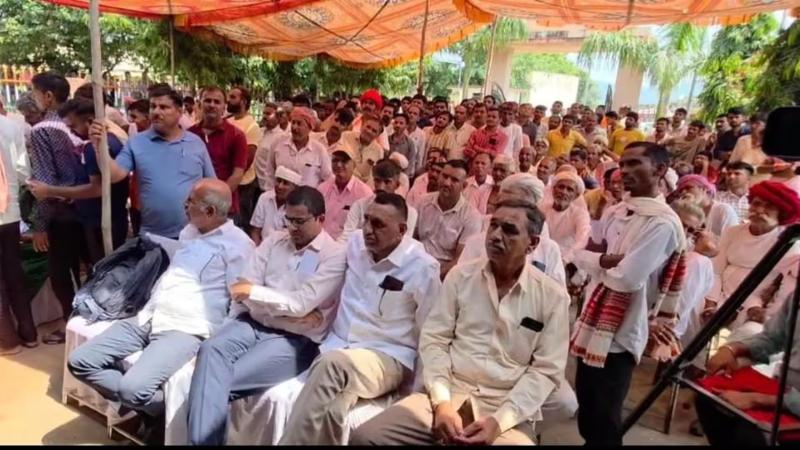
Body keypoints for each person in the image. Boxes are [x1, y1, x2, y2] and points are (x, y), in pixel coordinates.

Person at [350, 199, 570, 446]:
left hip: (505, 408)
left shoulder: (552, 297)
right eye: (493, 225)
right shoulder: (460, 277)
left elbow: (545, 371)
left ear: (533, 244)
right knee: (366, 438)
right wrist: (442, 402)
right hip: (447, 393)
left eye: (509, 230)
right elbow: (435, 340)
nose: (495, 236)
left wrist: (500, 421)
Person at [67, 179, 253, 435]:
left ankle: (153, 406)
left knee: (132, 389)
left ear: (210, 211)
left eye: (190, 202)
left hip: (185, 328)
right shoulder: (190, 231)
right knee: (80, 361)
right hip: (150, 315)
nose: (184, 205)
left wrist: (216, 346)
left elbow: (239, 301)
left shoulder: (239, 246)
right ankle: (154, 408)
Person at [187, 186, 346, 445]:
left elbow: (299, 303)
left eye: (300, 221)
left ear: (321, 219)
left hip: (295, 340)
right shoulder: (274, 241)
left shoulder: (334, 255)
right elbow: (243, 287)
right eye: (288, 219)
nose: (292, 227)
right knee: (210, 350)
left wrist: (257, 294)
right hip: (252, 323)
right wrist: (284, 308)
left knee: (215, 381)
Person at [279, 193, 442, 444]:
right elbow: (324, 257)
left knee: (331, 365)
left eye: (378, 224)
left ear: (401, 231)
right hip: (341, 346)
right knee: (334, 412)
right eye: (366, 220)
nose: (367, 230)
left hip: (387, 356)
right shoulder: (355, 243)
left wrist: (415, 393)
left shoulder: (422, 267)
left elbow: (430, 331)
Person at [570, 142, 686, 446]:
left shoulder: (662, 223)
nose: (625, 171)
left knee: (606, 415)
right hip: (593, 319)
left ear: (660, 170)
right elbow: (584, 252)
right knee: (587, 405)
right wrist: (604, 261)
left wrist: (599, 263)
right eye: (623, 164)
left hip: (623, 328)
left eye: (635, 164)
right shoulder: (617, 210)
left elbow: (627, 279)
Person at [94, 85, 216, 241]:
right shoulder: (137, 143)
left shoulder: (195, 143)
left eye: (164, 107)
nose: (157, 112)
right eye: (153, 107)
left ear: (179, 112)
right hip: (153, 237)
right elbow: (113, 175)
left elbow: (212, 185)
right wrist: (99, 147)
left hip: (194, 235)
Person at [27, 98, 129, 263]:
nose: (71, 132)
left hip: (101, 222)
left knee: (103, 267)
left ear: (90, 121)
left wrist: (49, 190)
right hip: (108, 218)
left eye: (73, 127)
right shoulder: (110, 140)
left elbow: (97, 188)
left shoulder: (95, 148)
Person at [28, 71, 89, 344]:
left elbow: (45, 181)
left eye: (34, 93)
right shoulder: (71, 128)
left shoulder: (42, 130)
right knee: (82, 270)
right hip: (83, 208)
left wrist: (40, 224)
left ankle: (72, 326)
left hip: (61, 212)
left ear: (48, 96)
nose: (32, 98)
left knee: (62, 274)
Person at [697, 294, 800, 446]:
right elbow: (772, 338)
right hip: (782, 390)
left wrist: (756, 399)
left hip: (791, 404)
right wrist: (732, 349)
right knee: (709, 400)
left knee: (750, 436)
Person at [706, 181, 800, 336]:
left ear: (781, 212)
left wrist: (760, 310)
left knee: (751, 333)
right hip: (717, 297)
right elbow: (715, 271)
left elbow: (785, 291)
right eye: (756, 204)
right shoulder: (733, 232)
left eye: (769, 206)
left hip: (754, 308)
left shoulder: (788, 244)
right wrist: (711, 302)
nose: (760, 210)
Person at [458, 173, 566, 286]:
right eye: (507, 203)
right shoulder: (476, 242)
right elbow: (461, 283)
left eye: (520, 205)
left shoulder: (549, 250)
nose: (511, 210)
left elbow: (556, 292)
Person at [0, 113, 37, 353]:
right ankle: (29, 333)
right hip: (11, 211)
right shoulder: (11, 126)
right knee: (14, 273)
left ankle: (8, 340)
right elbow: (24, 173)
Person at [415, 159, 482, 278]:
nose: (446, 183)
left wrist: (432, 277)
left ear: (464, 186)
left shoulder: (471, 216)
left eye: (454, 180)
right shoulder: (423, 202)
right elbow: (411, 238)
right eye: (444, 176)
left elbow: (460, 260)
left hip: (444, 274)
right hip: (415, 263)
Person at [188, 87, 248, 219]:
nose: (212, 105)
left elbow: (238, 174)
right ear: (199, 104)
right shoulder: (189, 135)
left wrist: (216, 200)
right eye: (207, 100)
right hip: (194, 207)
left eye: (217, 102)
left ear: (224, 107)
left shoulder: (236, 136)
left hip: (224, 209)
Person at [340, 158, 418, 243]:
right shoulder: (360, 205)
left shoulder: (409, 213)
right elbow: (346, 237)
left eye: (387, 182)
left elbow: (403, 245)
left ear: (397, 185)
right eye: (377, 181)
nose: (381, 187)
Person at [265, 107, 332, 189]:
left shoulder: (319, 150)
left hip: (307, 196)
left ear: (309, 128)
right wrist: (270, 192)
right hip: (280, 195)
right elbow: (269, 171)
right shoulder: (278, 143)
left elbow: (328, 178)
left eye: (299, 124)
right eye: (293, 122)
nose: (294, 127)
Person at [227, 86, 264, 227]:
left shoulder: (251, 126)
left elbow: (247, 160)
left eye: (233, 97)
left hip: (242, 184)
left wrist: (233, 179)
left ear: (243, 101)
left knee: (239, 222)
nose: (228, 100)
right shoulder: (227, 121)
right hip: (225, 180)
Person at [317, 147, 373, 240]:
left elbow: (366, 227)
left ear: (354, 165)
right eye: (335, 160)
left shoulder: (365, 193)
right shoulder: (323, 188)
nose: (339, 165)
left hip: (348, 245)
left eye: (344, 161)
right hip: (322, 242)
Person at [539, 171, 591, 264]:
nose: (563, 192)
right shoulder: (542, 209)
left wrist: (566, 259)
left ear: (575, 196)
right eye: (561, 187)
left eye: (569, 189)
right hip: (541, 255)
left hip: (567, 259)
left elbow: (582, 239)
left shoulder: (580, 214)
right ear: (553, 189)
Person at [676, 174, 739, 239]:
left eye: (688, 188)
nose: (683, 192)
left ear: (703, 189)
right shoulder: (682, 211)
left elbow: (732, 240)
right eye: (680, 190)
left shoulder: (723, 210)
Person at [249, 166, 301, 245]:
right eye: (278, 181)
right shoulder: (264, 198)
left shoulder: (299, 207)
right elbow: (255, 231)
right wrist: (258, 250)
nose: (280, 186)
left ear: (295, 188)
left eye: (285, 183)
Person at [339, 114, 385, 184]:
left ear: (377, 135)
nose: (369, 131)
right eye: (368, 127)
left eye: (374, 131)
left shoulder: (379, 151)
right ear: (362, 126)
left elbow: (372, 178)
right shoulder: (345, 136)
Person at [254, 104, 290, 191]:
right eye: (264, 113)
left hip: (266, 184)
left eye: (268, 114)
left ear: (278, 118)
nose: (264, 116)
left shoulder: (281, 137)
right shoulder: (259, 131)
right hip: (253, 181)